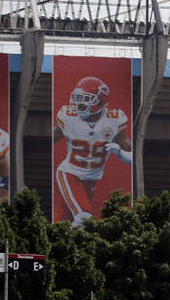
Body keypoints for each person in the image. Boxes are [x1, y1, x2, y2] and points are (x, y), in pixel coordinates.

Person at [54, 76, 132, 227]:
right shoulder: (68, 116)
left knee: (62, 223)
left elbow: (126, 145)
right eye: (78, 97)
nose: (79, 103)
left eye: (85, 98)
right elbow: (52, 137)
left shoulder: (114, 119)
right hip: (70, 173)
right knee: (84, 217)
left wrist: (123, 153)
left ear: (100, 102)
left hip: (91, 180)